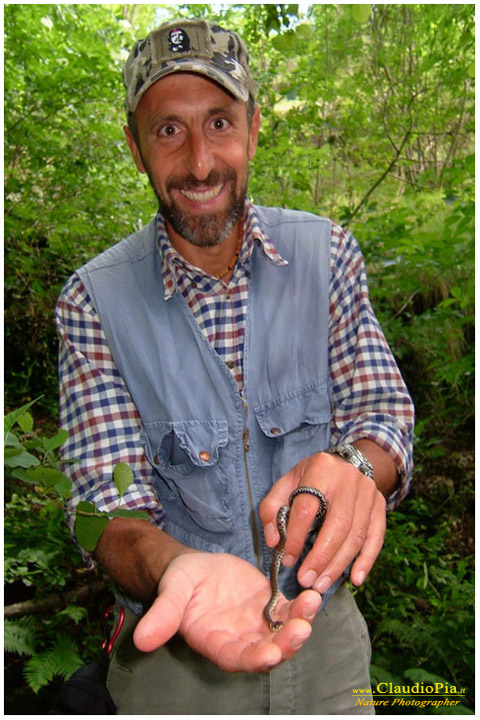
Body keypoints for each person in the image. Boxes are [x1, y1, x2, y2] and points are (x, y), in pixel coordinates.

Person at [56, 18, 414, 714]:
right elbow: (105, 509)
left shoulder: (327, 257)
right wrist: (175, 568)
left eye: (219, 123)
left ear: (252, 132)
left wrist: (356, 469)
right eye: (168, 131)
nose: (197, 163)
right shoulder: (94, 302)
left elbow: (382, 413)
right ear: (135, 148)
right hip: (176, 662)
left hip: (328, 645)